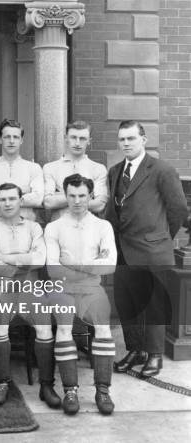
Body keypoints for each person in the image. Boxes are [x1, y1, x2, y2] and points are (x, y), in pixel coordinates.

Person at [105, 120, 187, 377]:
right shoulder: (115, 170)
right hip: (123, 249)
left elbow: (179, 210)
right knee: (128, 303)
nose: (126, 144)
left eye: (131, 138)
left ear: (144, 139)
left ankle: (154, 356)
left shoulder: (162, 169)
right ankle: (136, 350)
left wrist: (161, 237)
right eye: (122, 139)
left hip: (152, 250)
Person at [45, 174, 118, 415]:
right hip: (63, 289)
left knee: (104, 329)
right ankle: (70, 390)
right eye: (72, 195)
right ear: (65, 196)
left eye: (82, 195)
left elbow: (109, 266)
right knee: (65, 329)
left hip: (92, 289)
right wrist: (90, 265)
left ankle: (103, 390)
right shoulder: (54, 227)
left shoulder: (102, 226)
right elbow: (53, 269)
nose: (77, 200)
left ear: (91, 196)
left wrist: (73, 264)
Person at [0, 183, 60, 408]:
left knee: (45, 326)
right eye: (3, 199)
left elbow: (39, 260)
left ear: (20, 201)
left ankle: (46, 385)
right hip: (0, 288)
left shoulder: (34, 228)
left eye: (12, 199)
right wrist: (23, 259)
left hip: (29, 289)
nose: (7, 203)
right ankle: (1, 383)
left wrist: (5, 256)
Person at [0, 119, 44, 222]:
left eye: (16, 137)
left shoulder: (34, 168)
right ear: (0, 139)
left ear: (21, 140)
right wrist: (25, 190)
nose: (11, 141)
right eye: (7, 137)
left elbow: (37, 199)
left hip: (26, 229)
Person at [43, 121, 108, 221]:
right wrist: (86, 197)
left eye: (82, 139)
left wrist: (60, 196)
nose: (77, 143)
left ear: (89, 141)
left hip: (89, 230)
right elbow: (48, 203)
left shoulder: (98, 168)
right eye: (73, 137)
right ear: (66, 138)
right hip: (60, 229)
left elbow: (99, 206)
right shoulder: (50, 167)